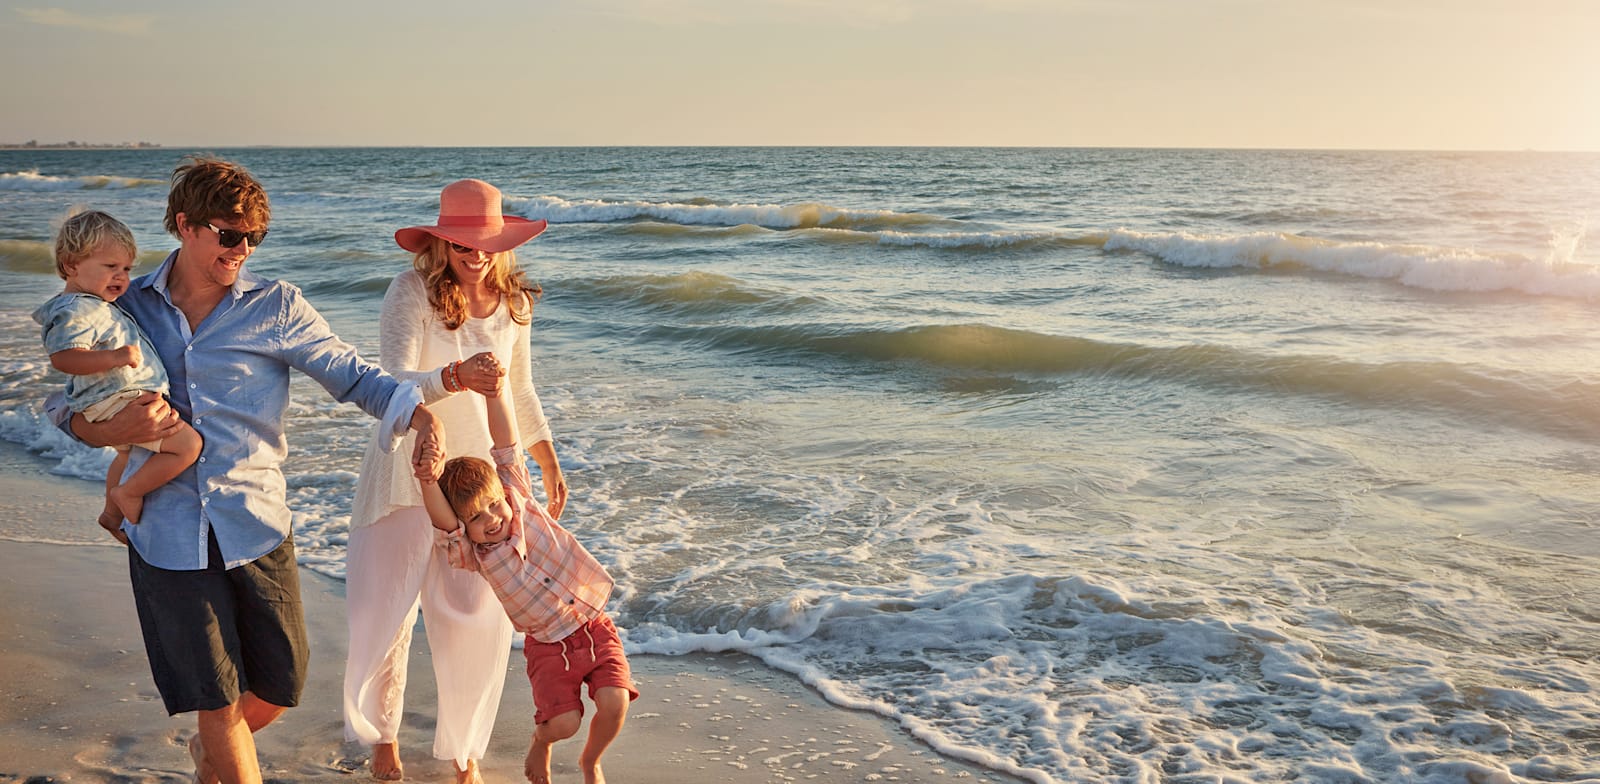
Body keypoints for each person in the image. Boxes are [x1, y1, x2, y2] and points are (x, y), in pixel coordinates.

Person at [48, 157, 444, 784]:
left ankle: (211, 755)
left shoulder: (277, 306)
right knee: (217, 701)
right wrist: (104, 430)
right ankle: (220, 748)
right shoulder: (126, 308)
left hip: (255, 521)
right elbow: (61, 399)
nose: (243, 248)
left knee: (280, 687)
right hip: (166, 531)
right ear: (184, 224)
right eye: (229, 234)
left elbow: (353, 373)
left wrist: (420, 417)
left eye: (253, 237)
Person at [343, 178, 568, 784]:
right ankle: (382, 737)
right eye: (462, 242)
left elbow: (519, 388)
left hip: (482, 480)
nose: (476, 253)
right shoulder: (411, 291)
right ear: (441, 241)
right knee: (389, 608)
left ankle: (463, 745)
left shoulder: (515, 303)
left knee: (474, 613)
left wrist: (544, 457)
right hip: (406, 465)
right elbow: (390, 381)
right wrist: (455, 376)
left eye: (486, 241)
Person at [414, 376, 635, 784]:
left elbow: (505, 444)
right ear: (465, 526)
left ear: (504, 491)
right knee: (564, 723)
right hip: (548, 646)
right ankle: (542, 741)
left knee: (615, 701)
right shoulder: (473, 554)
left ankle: (591, 762)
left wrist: (495, 393)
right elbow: (444, 521)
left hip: (593, 624)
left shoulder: (520, 497)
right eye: (477, 518)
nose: (494, 519)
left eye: (494, 505)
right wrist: (428, 480)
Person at [33, 209, 202, 529]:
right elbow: (64, 358)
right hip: (118, 398)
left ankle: (111, 515)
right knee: (188, 447)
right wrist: (115, 358)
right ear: (71, 265)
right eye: (110, 267)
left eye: (126, 268)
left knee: (125, 457)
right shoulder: (77, 308)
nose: (121, 277)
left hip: (114, 399)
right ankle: (130, 493)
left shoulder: (91, 304)